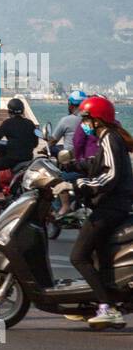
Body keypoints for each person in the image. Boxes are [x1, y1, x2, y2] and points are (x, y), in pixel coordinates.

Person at [69, 96, 133, 329]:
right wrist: (71, 167)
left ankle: (108, 308)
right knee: (96, 255)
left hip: (111, 207)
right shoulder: (108, 138)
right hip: (114, 204)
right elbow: (97, 164)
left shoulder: (109, 138)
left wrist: (81, 185)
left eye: (86, 118)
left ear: (97, 120)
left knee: (78, 256)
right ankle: (90, 303)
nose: (83, 123)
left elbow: (111, 175)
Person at [0, 98, 38, 199]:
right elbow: (35, 143)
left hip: (12, 159)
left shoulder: (8, 123)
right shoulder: (30, 124)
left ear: (9, 111)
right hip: (28, 158)